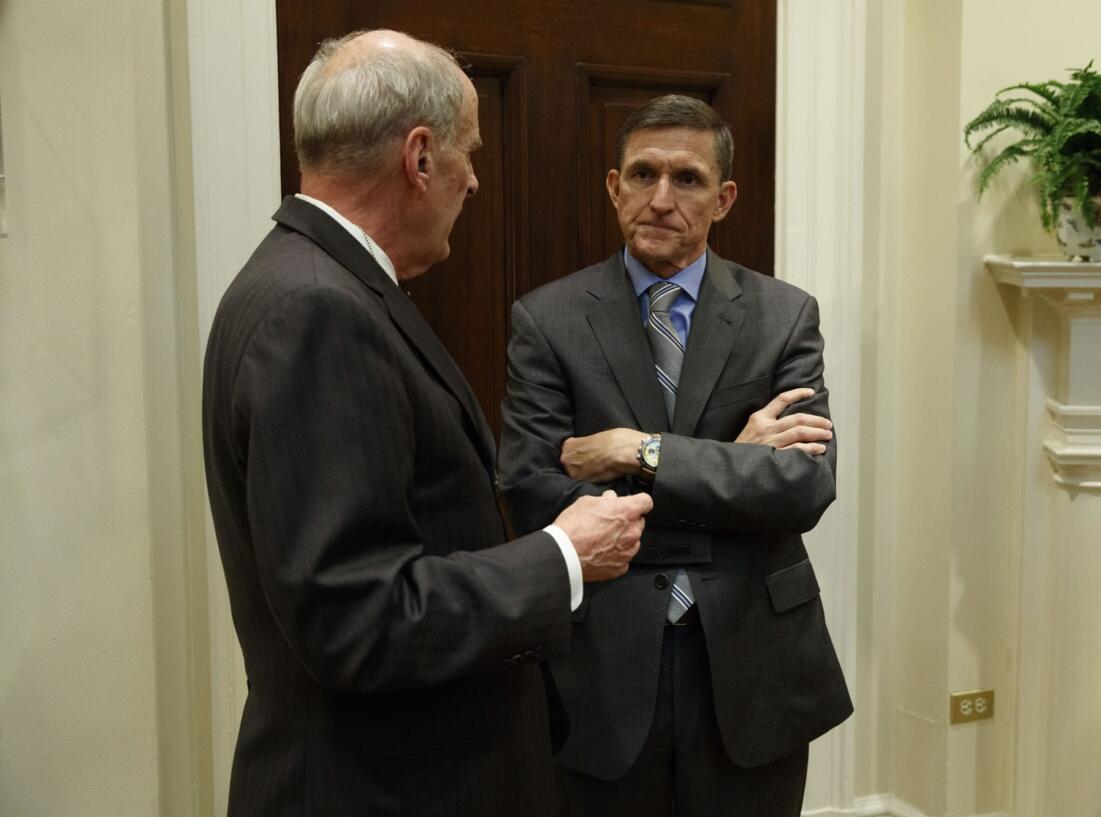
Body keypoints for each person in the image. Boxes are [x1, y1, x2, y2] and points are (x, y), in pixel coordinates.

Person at [202, 30, 651, 817]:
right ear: (418, 157)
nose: (475, 181)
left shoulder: (304, 278)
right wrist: (562, 556)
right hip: (383, 786)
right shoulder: (316, 309)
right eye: (467, 154)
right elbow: (357, 615)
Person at [499, 95, 852, 816]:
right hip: (600, 665)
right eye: (643, 174)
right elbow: (532, 491)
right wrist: (730, 464)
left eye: (687, 179)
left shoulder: (784, 316)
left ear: (723, 198)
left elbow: (804, 488)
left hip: (756, 664)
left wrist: (641, 450)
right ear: (613, 185)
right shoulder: (549, 319)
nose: (661, 198)